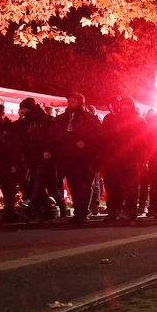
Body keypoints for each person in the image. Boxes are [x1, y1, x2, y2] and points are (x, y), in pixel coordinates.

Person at [52, 92, 101, 223]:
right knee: (73, 185)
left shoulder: (89, 118)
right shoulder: (62, 119)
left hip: (85, 157)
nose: (70, 102)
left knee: (84, 185)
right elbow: (56, 136)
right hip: (69, 157)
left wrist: (86, 142)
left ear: (80, 102)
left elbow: (98, 135)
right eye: (69, 100)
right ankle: (78, 211)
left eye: (73, 101)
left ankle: (83, 211)